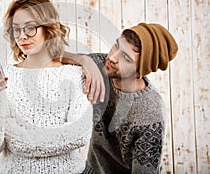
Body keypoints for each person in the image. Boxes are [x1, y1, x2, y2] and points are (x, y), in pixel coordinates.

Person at [0, 0, 93, 174]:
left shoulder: (74, 74)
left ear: (49, 28)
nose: (22, 36)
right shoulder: (4, 77)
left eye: (30, 28)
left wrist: (19, 140)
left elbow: (79, 135)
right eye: (16, 29)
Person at [62, 22, 178, 174]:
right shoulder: (103, 66)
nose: (113, 57)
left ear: (138, 73)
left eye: (126, 58)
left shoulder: (150, 113)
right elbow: (55, 56)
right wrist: (85, 61)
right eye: (116, 46)